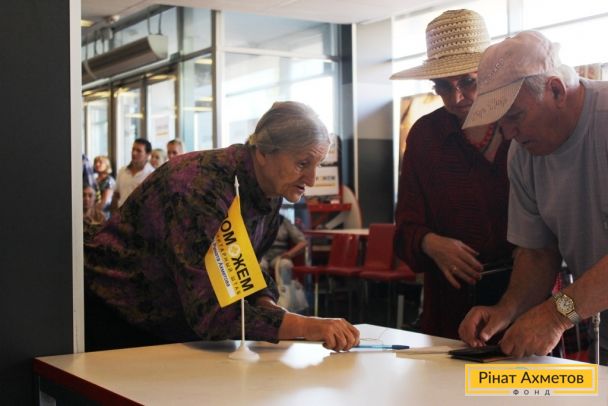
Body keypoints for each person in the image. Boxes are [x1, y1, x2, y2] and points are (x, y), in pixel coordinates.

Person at [84, 101, 360, 352]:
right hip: (116, 313)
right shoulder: (198, 187)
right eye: (302, 163)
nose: (311, 179)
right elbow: (211, 311)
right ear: (264, 152)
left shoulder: (270, 189)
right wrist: (304, 326)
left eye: (317, 165)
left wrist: (267, 306)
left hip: (166, 320)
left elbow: (243, 267)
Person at [458, 31, 608, 365]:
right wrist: (507, 310)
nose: (509, 133)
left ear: (556, 90)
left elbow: (560, 312)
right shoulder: (523, 154)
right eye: (501, 122)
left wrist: (557, 315)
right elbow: (538, 252)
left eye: (514, 116)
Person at [390, 9, 514, 339]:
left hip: (524, 299)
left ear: (491, 73)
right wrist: (430, 243)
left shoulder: (520, 125)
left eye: (467, 82)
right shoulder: (425, 136)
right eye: (443, 86)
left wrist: (559, 312)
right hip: (451, 305)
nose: (456, 97)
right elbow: (404, 229)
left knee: (528, 375)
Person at [260, 215, 309, 312]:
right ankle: (263, 301)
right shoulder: (259, 220)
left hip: (280, 256)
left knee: (285, 264)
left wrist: (290, 254)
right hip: (262, 255)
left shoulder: (284, 221)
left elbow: (303, 242)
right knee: (259, 266)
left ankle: (287, 299)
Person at [111, 138, 154, 210]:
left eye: (138, 151)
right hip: (122, 213)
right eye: (133, 149)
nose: (134, 153)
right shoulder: (122, 171)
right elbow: (116, 194)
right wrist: (114, 213)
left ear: (148, 154)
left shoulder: (151, 174)